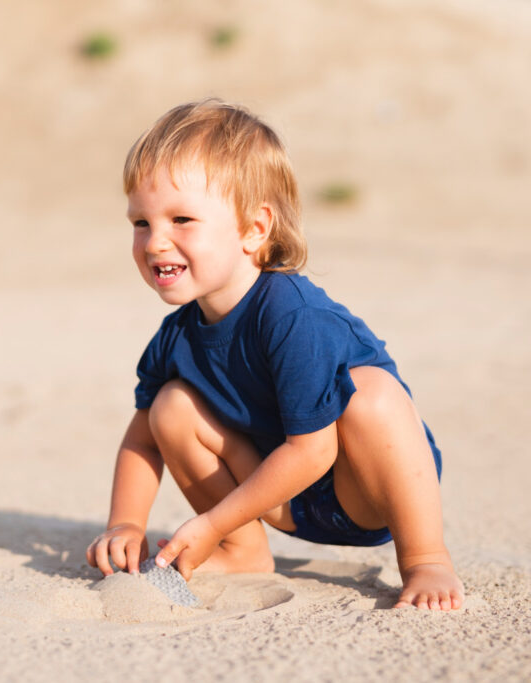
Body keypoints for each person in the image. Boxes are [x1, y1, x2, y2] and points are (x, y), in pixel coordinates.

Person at [85, 99, 464, 610]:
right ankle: (243, 552)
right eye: (140, 223)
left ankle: (426, 558)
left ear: (254, 229)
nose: (156, 242)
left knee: (372, 394)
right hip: (279, 495)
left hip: (367, 486)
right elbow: (143, 443)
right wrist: (124, 524)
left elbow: (315, 450)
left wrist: (212, 522)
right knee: (169, 407)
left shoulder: (292, 314)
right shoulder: (176, 337)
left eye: (181, 218)